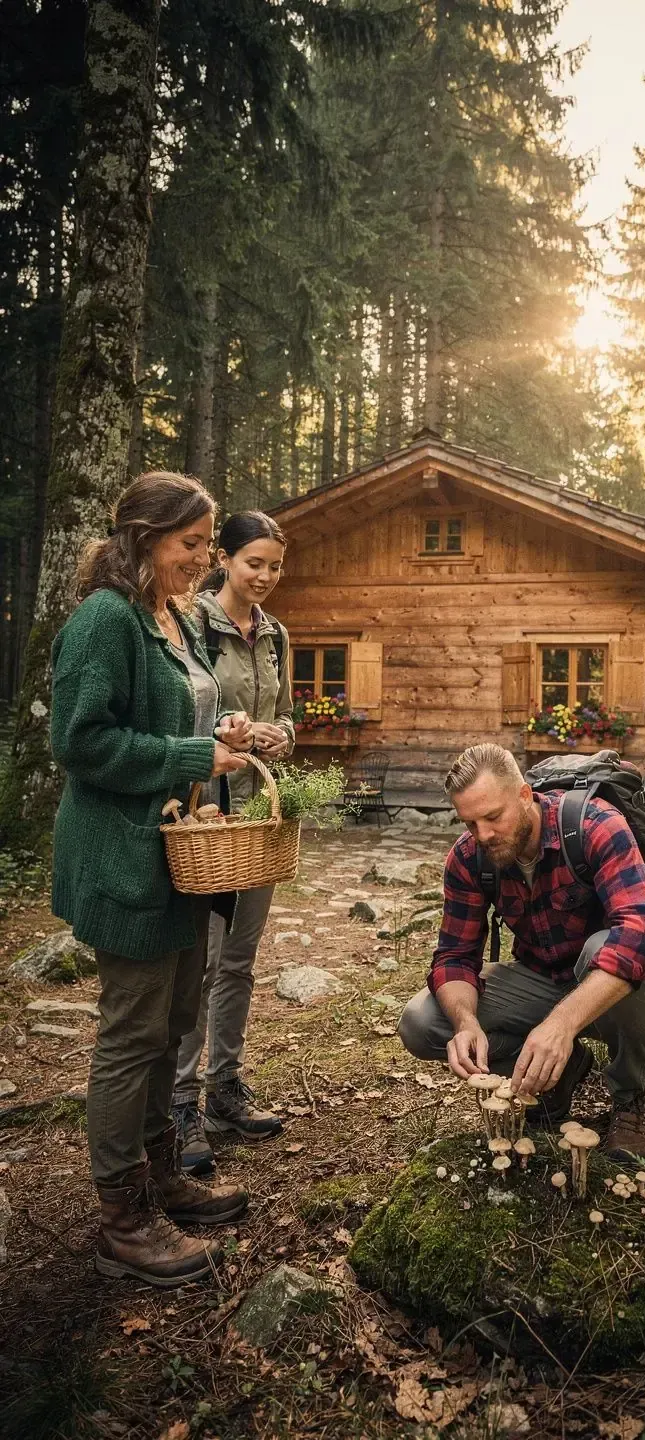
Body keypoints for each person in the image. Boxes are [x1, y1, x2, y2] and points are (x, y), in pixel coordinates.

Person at [50, 471, 256, 1287]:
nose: (205, 558)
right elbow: (81, 742)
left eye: (207, 544)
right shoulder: (105, 620)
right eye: (190, 544)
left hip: (181, 857)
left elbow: (179, 710)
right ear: (143, 537)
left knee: (173, 1024)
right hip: (125, 857)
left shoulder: (175, 614)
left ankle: (162, 1176)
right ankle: (122, 1221)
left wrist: (220, 727)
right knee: (131, 1034)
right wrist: (191, 753)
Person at [398, 744, 645, 1162]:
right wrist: (466, 1022)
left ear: (523, 795)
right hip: (544, 979)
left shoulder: (596, 825)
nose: (483, 834)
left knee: (605, 946)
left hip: (632, 990)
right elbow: (455, 956)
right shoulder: (469, 856)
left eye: (493, 817)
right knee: (422, 1022)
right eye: (470, 822)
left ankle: (634, 1094)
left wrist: (560, 1025)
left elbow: (641, 934)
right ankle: (555, 1075)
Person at [172, 512, 295, 1173]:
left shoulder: (274, 634)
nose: (266, 575)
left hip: (260, 819)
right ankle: (180, 1102)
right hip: (208, 816)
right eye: (254, 562)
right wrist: (223, 727)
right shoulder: (191, 621)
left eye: (275, 565)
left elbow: (284, 714)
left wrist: (280, 735)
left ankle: (224, 1089)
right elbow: (182, 704)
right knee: (202, 963)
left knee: (240, 961)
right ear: (223, 557)